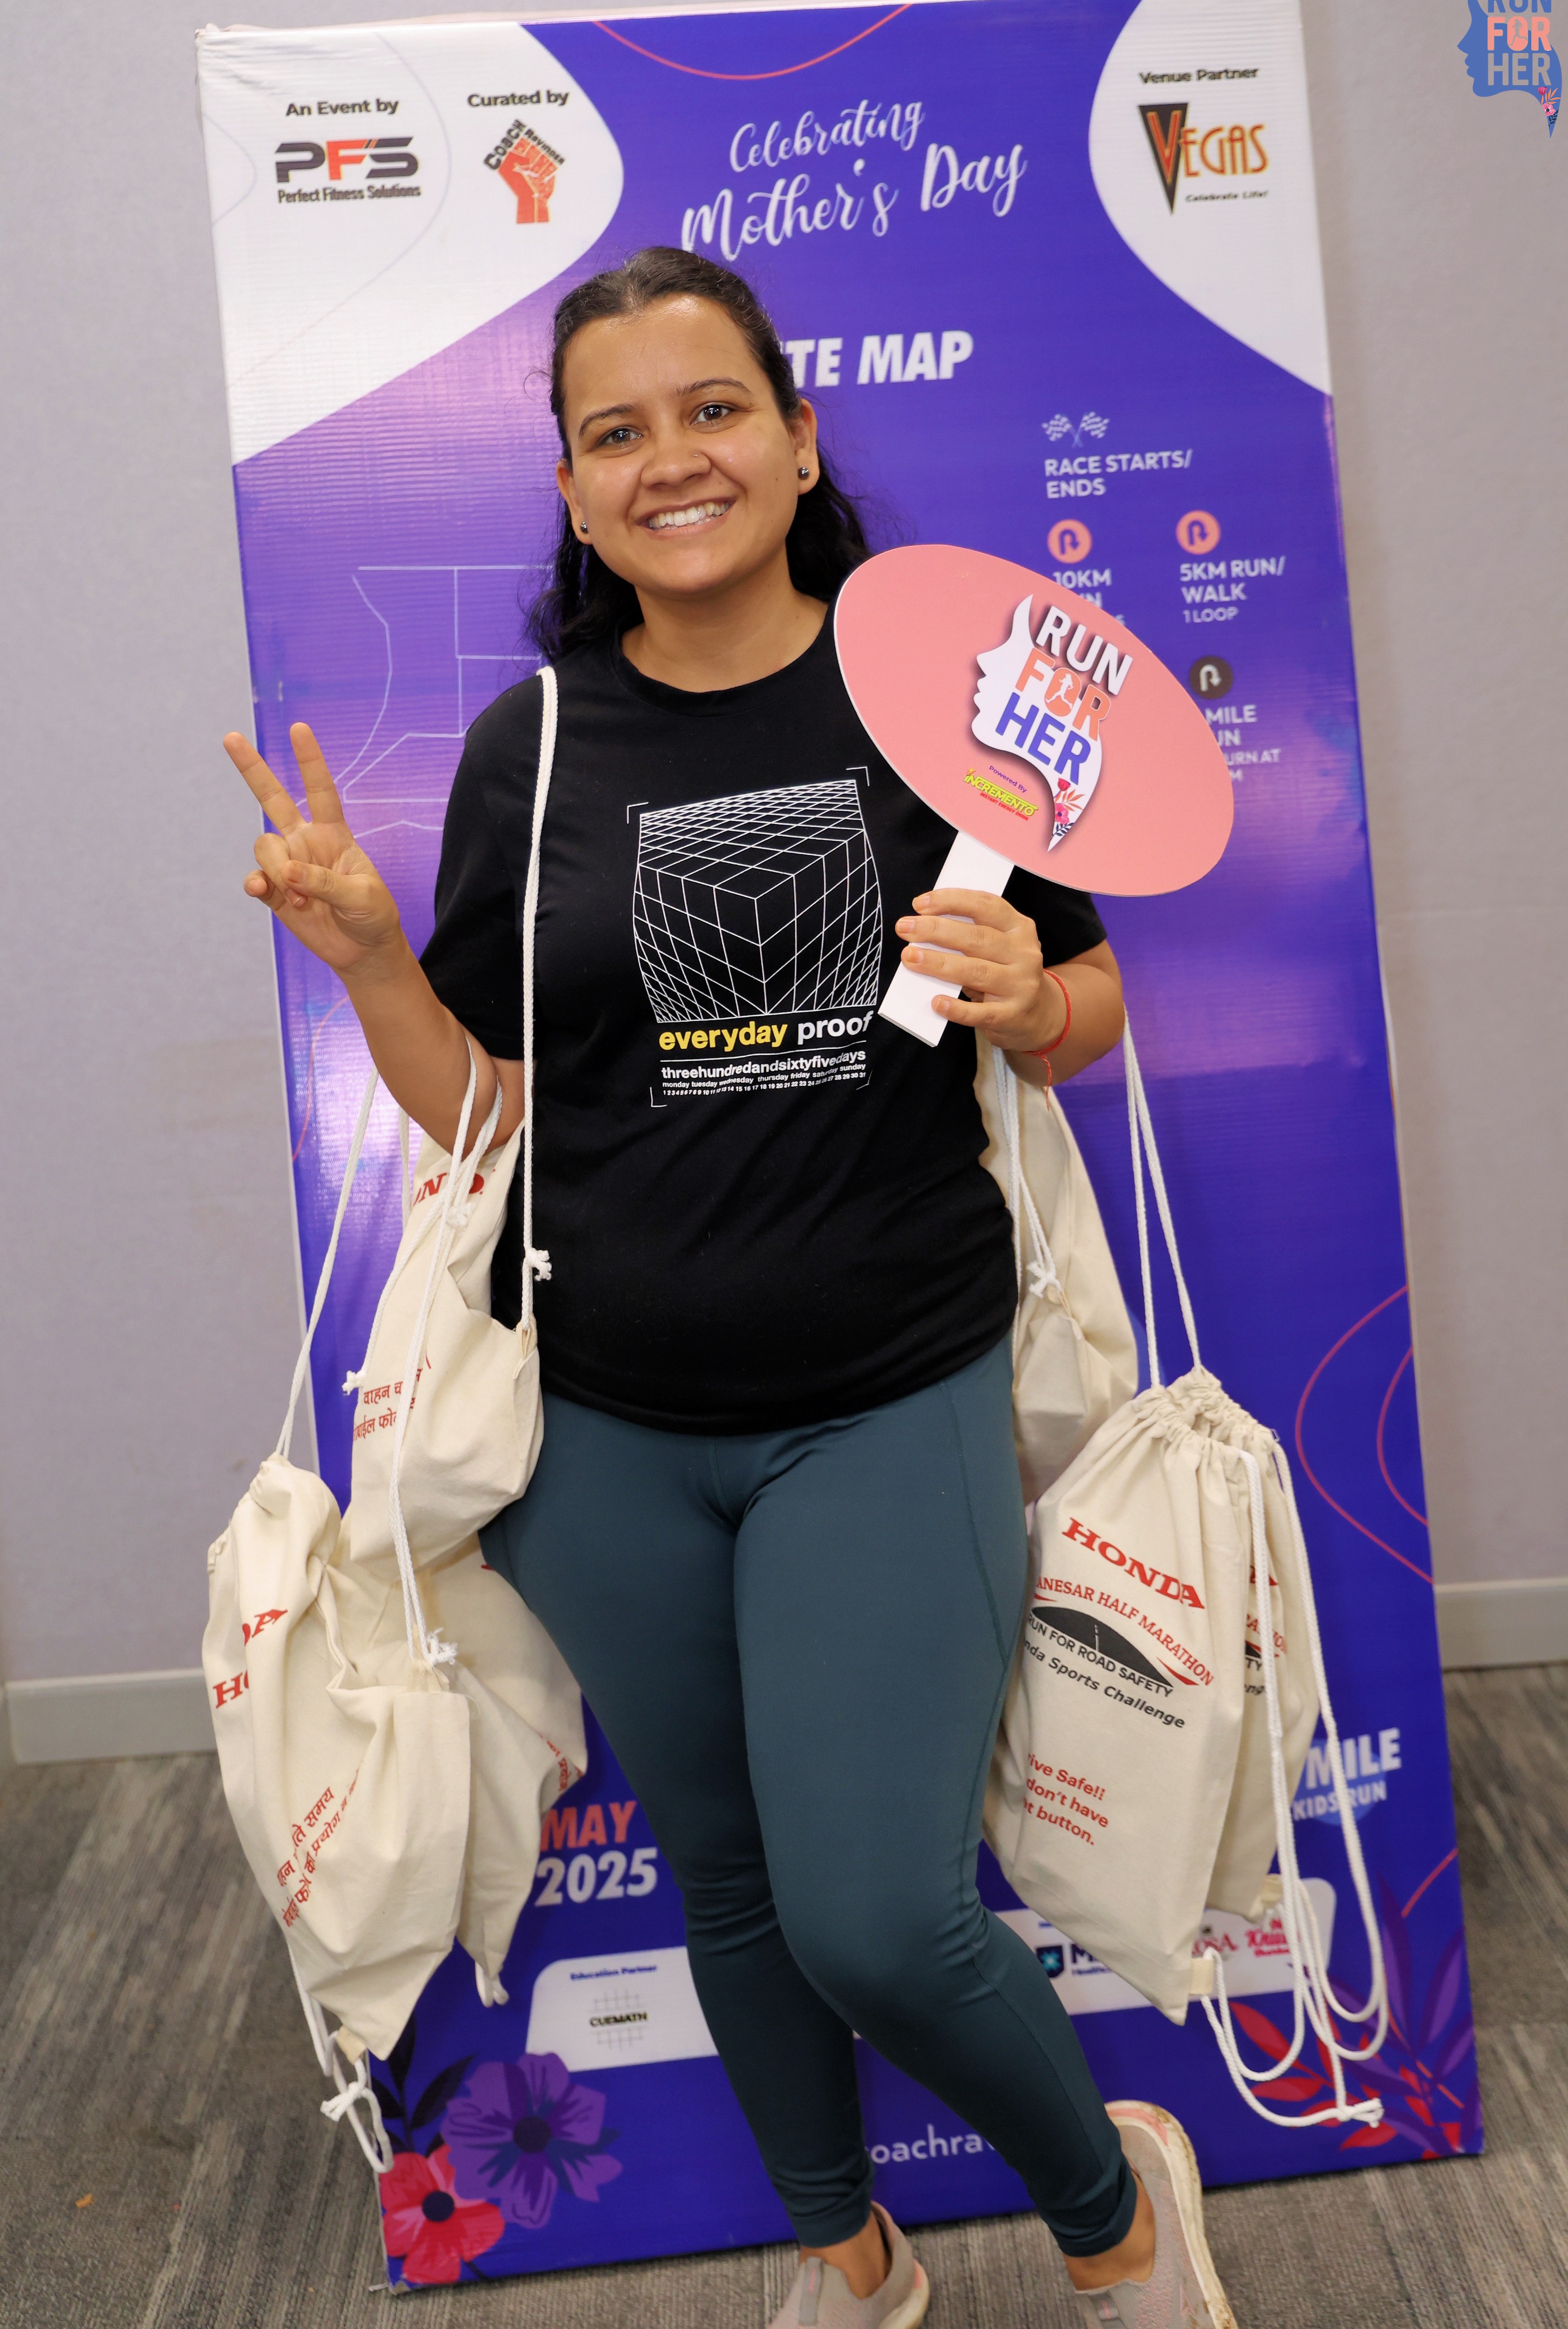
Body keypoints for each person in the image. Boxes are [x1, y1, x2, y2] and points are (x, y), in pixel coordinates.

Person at [224, 248, 1236, 2329]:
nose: (670, 460)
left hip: (885, 1392)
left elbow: (1085, 1010)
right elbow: (490, 1110)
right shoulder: (532, 746)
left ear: (795, 437)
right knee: (735, 1881)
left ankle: (1114, 2209)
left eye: (711, 411)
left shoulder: (935, 707)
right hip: (603, 1438)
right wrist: (369, 960)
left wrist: (1031, 989)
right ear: (572, 492)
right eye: (616, 433)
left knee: (876, 1918)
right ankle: (848, 2261)